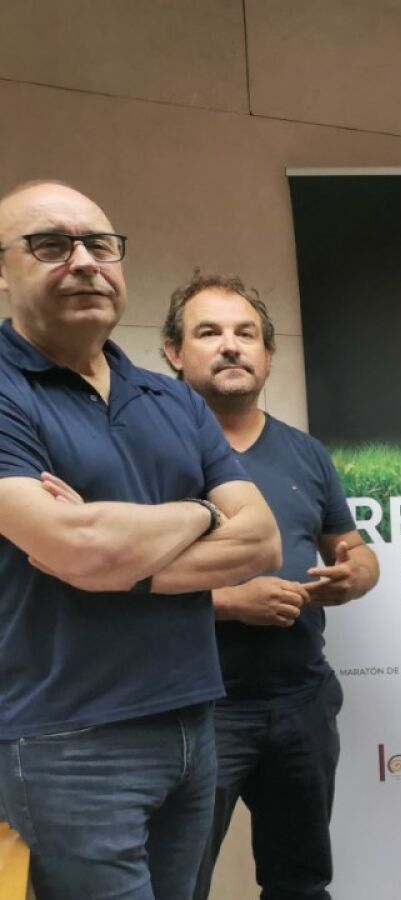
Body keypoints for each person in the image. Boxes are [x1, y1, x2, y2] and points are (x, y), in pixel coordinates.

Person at [0, 181, 281, 900]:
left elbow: (262, 541)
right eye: (51, 245)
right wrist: (204, 512)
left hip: (192, 720)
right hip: (67, 738)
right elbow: (78, 547)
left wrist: (125, 558)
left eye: (100, 244)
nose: (85, 262)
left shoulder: (172, 397)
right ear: (3, 271)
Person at [159, 272, 379, 900]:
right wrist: (230, 604)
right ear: (174, 353)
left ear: (268, 355)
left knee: (301, 884)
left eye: (246, 333)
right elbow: (117, 583)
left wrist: (354, 576)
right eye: (209, 332)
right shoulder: (150, 452)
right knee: (177, 885)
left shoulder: (306, 453)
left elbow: (356, 550)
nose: (231, 346)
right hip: (196, 711)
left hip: (302, 702)